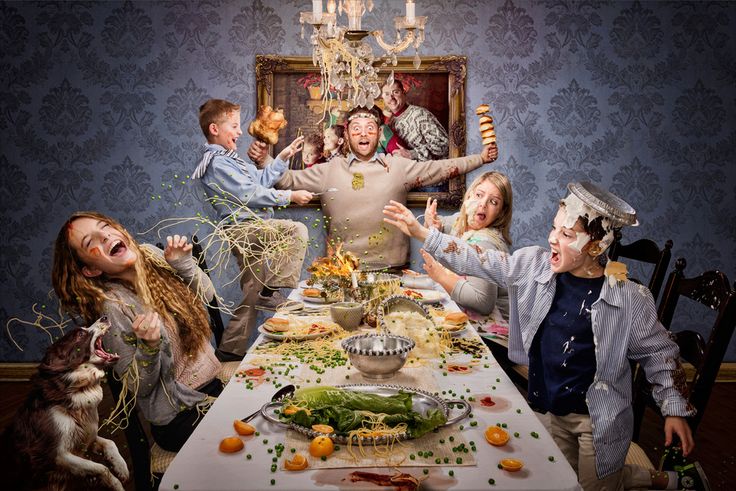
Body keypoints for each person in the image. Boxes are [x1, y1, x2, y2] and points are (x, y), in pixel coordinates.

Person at [383, 182, 709, 491]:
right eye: (554, 228)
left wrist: (674, 408)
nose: (553, 238)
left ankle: (661, 480)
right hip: (549, 404)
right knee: (560, 477)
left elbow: (660, 353)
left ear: (596, 246)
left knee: (595, 484)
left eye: (566, 234)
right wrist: (424, 233)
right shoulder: (535, 266)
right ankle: (660, 479)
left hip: (595, 420)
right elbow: (482, 260)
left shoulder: (628, 298)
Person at [248, 105, 498, 270]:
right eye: (356, 129)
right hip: (341, 272)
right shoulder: (330, 170)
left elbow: (440, 168)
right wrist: (264, 160)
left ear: (379, 133)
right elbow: (286, 180)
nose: (363, 134)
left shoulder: (399, 167)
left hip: (393, 271)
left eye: (370, 129)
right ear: (346, 135)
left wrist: (481, 158)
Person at [52, 212, 223, 452]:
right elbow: (139, 387)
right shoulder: (113, 306)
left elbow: (208, 297)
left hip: (213, 389)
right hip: (181, 415)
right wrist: (148, 347)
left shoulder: (152, 255)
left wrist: (183, 264)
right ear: (90, 269)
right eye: (91, 242)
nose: (105, 235)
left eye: (106, 227)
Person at [193, 98, 312, 359]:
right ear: (215, 129)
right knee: (295, 231)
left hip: (251, 229)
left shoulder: (230, 160)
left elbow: (261, 180)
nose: (238, 132)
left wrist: (282, 157)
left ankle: (228, 352)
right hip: (245, 231)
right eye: (233, 126)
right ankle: (273, 291)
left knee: (251, 294)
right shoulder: (217, 163)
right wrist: (289, 197)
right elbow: (249, 194)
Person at [421, 171, 512, 320]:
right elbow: (443, 231)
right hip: (461, 314)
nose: (483, 204)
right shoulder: (460, 222)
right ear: (469, 196)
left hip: (492, 328)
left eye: (493, 202)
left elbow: (483, 303)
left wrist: (441, 276)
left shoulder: (486, 244)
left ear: (501, 212)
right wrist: (433, 225)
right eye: (479, 195)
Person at [380, 79, 449, 161]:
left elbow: (444, 145)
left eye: (395, 92)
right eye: (387, 94)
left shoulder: (420, 114)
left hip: (428, 170)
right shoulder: (390, 122)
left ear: (404, 93)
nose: (391, 98)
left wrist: (412, 154)